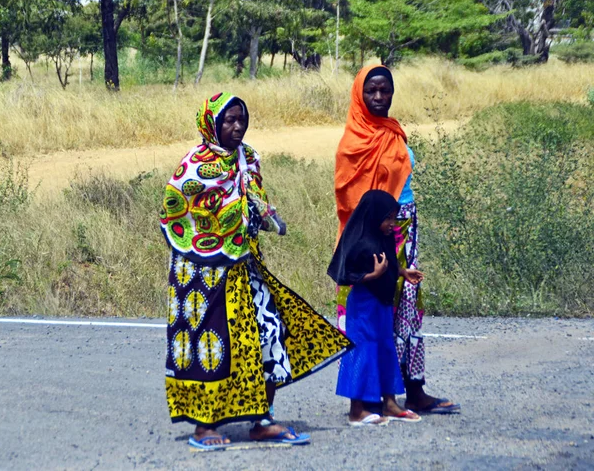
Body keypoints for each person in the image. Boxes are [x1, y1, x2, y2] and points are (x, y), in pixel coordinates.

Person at [160, 92, 352, 450]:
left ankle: (262, 419)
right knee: (214, 344)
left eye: (241, 120)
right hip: (205, 273)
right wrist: (230, 220)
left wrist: (267, 216)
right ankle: (205, 425)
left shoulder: (248, 157)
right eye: (228, 121)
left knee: (268, 333)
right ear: (212, 124)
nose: (236, 127)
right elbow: (176, 214)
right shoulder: (193, 166)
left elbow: (254, 197)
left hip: (246, 265)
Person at [334, 65, 461, 414]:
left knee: (407, 311)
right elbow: (351, 204)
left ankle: (413, 390)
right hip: (372, 236)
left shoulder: (394, 133)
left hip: (406, 229)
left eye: (384, 90)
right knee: (371, 313)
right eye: (371, 91)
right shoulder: (352, 142)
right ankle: (367, 398)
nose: (378, 98)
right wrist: (376, 243)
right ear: (360, 94)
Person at [328, 190, 423, 425]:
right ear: (374, 215)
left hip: (381, 303)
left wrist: (402, 271)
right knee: (362, 351)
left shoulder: (383, 237)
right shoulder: (359, 241)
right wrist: (373, 274)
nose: (392, 224)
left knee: (385, 348)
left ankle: (389, 403)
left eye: (393, 218)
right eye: (387, 218)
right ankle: (356, 410)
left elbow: (389, 260)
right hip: (364, 305)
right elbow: (345, 275)